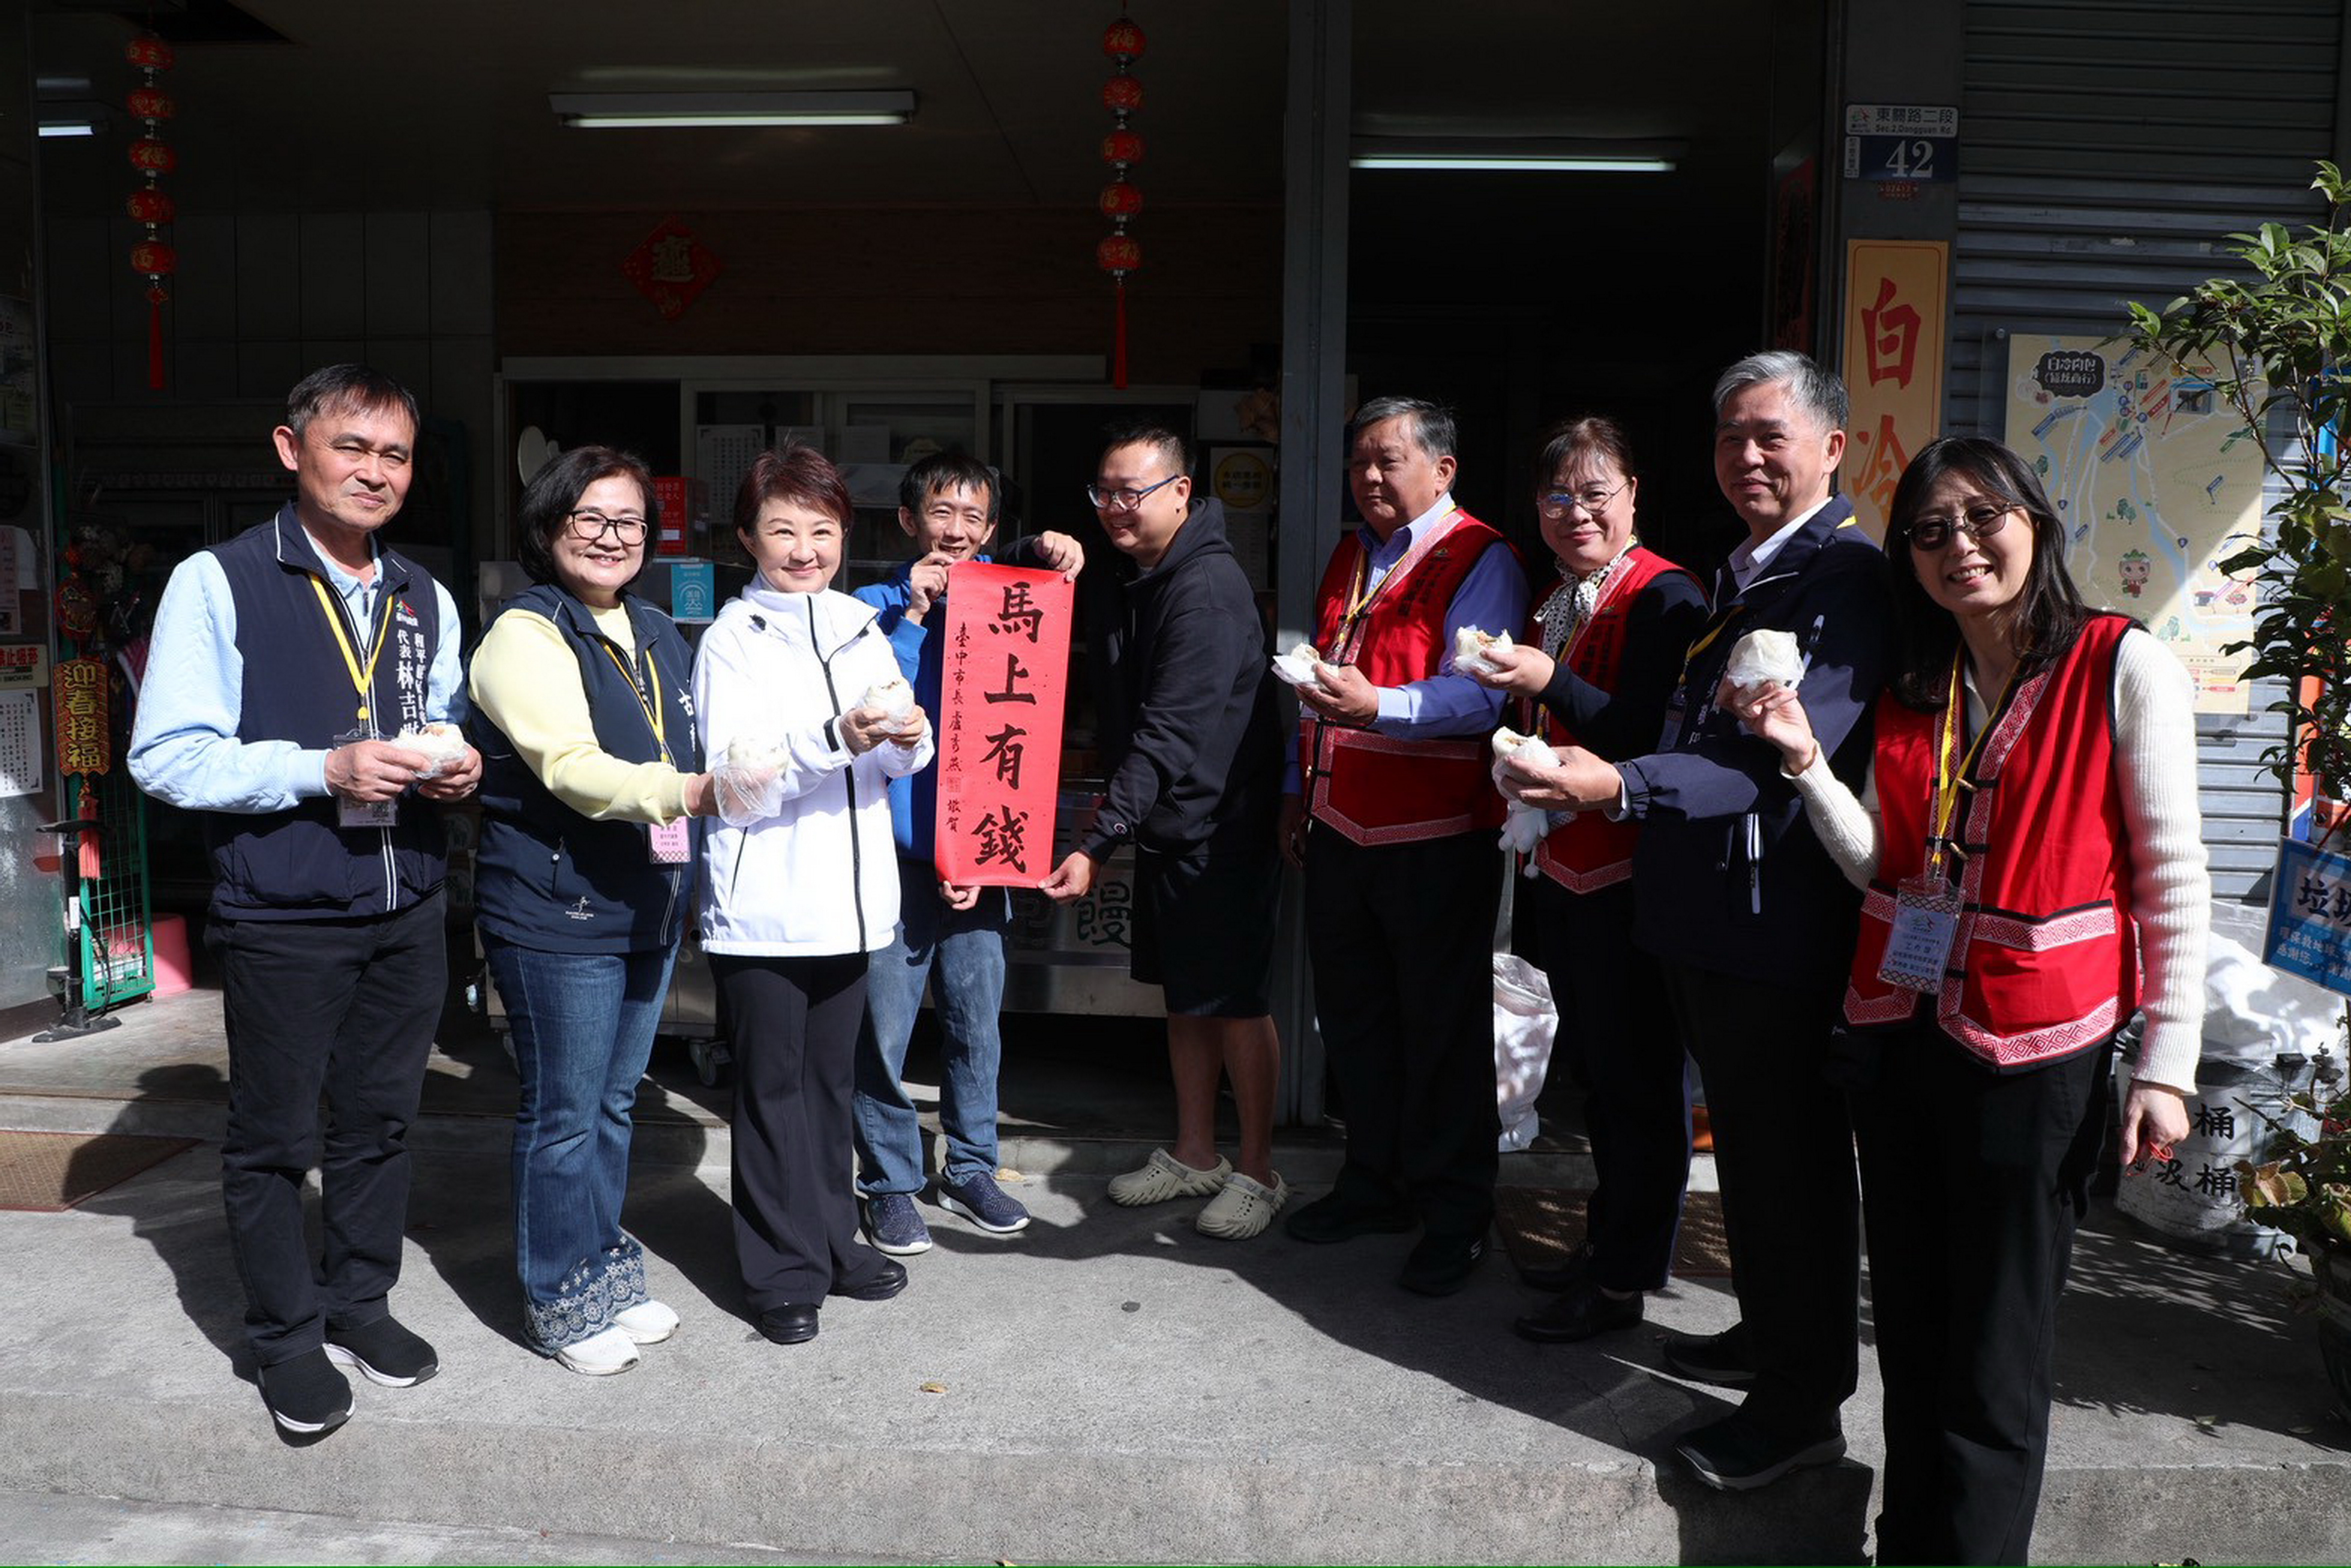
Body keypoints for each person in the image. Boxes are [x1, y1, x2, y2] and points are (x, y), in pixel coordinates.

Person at [1727, 435, 2204, 1564]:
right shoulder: (1917, 683)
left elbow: (2172, 875)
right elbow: (1882, 863)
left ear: (2034, 521)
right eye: (1929, 531)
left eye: (1983, 517)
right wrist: (1801, 760)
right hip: (1903, 1042)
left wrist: (2167, 1065)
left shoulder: (2121, 663)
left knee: (1994, 1348)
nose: (1960, 547)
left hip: (2040, 1052)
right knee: (1913, 1327)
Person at [1495, 351, 1891, 1488]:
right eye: (1729, 436)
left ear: (1831, 447)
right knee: (1756, 1163)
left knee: (1787, 1168)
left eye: (1770, 434)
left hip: (1772, 924)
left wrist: (1613, 785)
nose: (1746, 455)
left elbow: (1766, 767)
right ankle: (1771, 1339)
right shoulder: (1748, 572)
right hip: (1708, 918)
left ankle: (1797, 1413)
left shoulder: (1843, 578)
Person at [128, 365, 480, 1438]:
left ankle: (359, 1302)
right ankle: (284, 1336)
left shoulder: (424, 594)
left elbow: (439, 716)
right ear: (293, 450)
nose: (376, 472)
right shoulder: (219, 579)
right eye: (352, 447)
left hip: (408, 898)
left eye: (396, 455)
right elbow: (167, 755)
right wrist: (319, 769)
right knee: (276, 1138)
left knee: (380, 1124)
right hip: (285, 908)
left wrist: (456, 763)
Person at [467, 446, 720, 1376]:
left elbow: (694, 738)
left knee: (615, 1104)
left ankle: (604, 1267)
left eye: (630, 521)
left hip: (644, 902)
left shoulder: (655, 627)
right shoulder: (524, 634)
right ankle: (558, 1298)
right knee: (565, 1115)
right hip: (556, 912)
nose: (613, 538)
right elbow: (571, 769)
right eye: (591, 518)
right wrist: (691, 793)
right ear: (548, 528)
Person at [1463, 417, 1708, 1342]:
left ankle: (1621, 1283)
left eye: (1595, 494)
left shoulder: (1667, 595)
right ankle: (1607, 1248)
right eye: (1557, 497)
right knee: (1601, 1082)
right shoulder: (1556, 597)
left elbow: (1647, 736)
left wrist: (1546, 679)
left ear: (1633, 496)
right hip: (1564, 870)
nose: (1576, 514)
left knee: (1638, 1087)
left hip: (1631, 881)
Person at [1280, 396, 1528, 1294]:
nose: (1369, 478)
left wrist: (1378, 706)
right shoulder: (1352, 554)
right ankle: (1372, 1182)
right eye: (1359, 463)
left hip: (1433, 834)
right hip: (1340, 822)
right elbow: (1319, 679)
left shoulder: (1482, 555)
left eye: (1387, 461)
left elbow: (1483, 694)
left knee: (1441, 1028)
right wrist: (1297, 791)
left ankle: (1456, 1210)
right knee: (1355, 1020)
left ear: (1442, 469)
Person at [693, 445, 934, 1347]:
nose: (805, 550)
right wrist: (837, 737)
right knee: (771, 1093)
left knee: (831, 1086)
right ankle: (780, 1272)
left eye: (822, 531)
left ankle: (835, 1243)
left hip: (851, 904)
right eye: (783, 530)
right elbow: (737, 777)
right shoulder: (731, 638)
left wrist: (909, 737)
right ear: (747, 538)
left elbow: (902, 759)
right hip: (764, 907)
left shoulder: (857, 624)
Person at [1040, 426, 1289, 1239]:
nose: (1115, 507)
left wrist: (1096, 841)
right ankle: (1194, 1152)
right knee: (1187, 996)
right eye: (1103, 492)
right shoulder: (1134, 570)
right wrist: (1039, 548)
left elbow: (1169, 734)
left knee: (1235, 1001)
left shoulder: (1205, 589)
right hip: (1173, 823)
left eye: (1132, 492)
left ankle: (1259, 1170)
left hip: (1225, 827)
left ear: (1181, 492)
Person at [851, 453, 1083, 1256]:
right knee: (882, 1033)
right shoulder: (867, 610)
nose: (956, 531)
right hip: (891, 859)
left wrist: (1051, 550)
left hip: (982, 856)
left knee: (975, 1027)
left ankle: (972, 1167)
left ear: (991, 530)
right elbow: (876, 712)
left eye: (973, 518)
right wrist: (915, 616)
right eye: (941, 513)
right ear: (908, 520)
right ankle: (889, 1182)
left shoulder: (1009, 605)